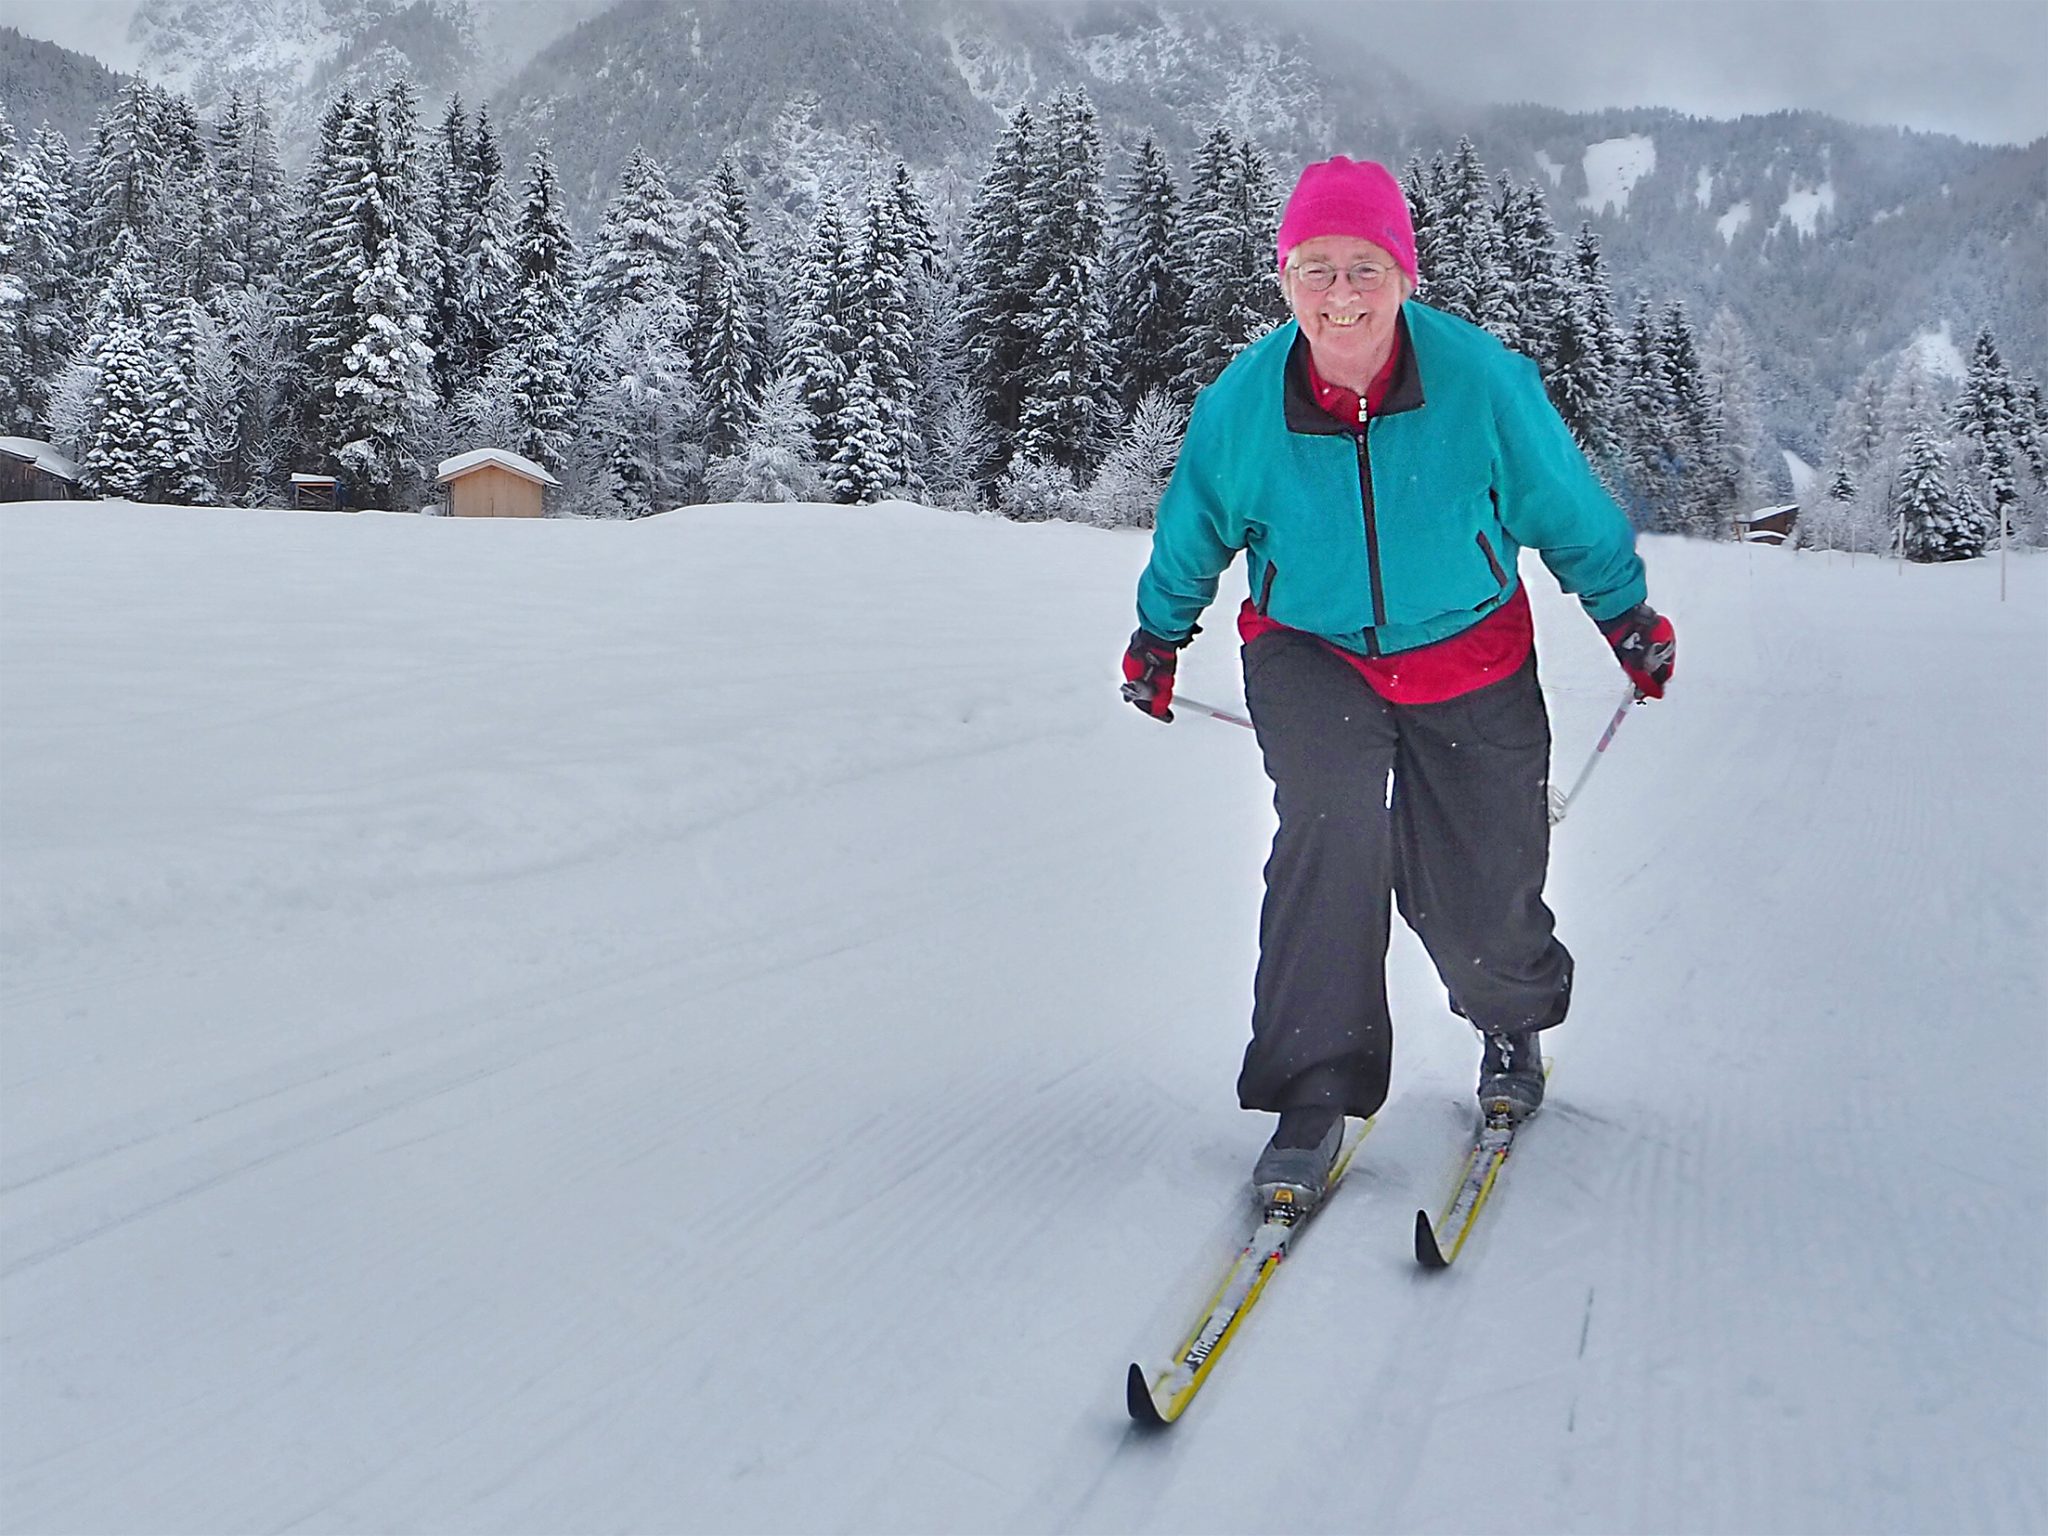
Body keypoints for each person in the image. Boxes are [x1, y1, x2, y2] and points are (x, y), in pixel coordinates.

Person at [1120, 155, 1675, 1211]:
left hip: (1468, 646)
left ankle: (1507, 1017)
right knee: (1330, 829)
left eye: (1364, 268)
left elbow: (1562, 505)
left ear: (1404, 276)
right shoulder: (1244, 405)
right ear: (1285, 280)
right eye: (1316, 269)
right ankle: (1312, 1090)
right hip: (1310, 647)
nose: (1341, 294)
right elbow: (1194, 527)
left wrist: (1624, 614)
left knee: (1480, 888)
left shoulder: (1480, 383)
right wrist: (1158, 634)